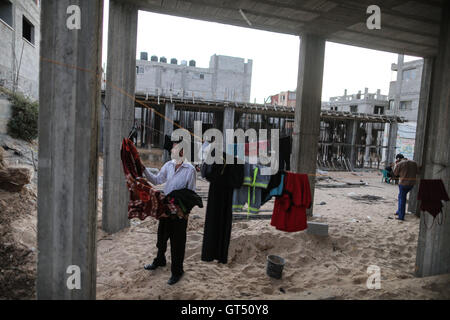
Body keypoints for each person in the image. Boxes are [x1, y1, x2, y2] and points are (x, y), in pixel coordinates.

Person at [141, 142, 197, 285]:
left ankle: (177, 271)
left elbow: (191, 194)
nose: (173, 150)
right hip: (165, 209)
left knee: (178, 243)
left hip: (179, 213)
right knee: (162, 237)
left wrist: (183, 211)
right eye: (173, 147)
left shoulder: (190, 170)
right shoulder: (168, 165)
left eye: (176, 148)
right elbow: (157, 180)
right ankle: (160, 260)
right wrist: (144, 170)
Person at [393, 153, 419, 221]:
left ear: (398, 159)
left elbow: (395, 174)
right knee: (400, 196)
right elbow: (418, 172)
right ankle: (399, 211)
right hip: (412, 183)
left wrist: (396, 165)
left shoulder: (400, 164)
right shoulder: (414, 163)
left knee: (402, 199)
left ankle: (401, 216)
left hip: (403, 184)